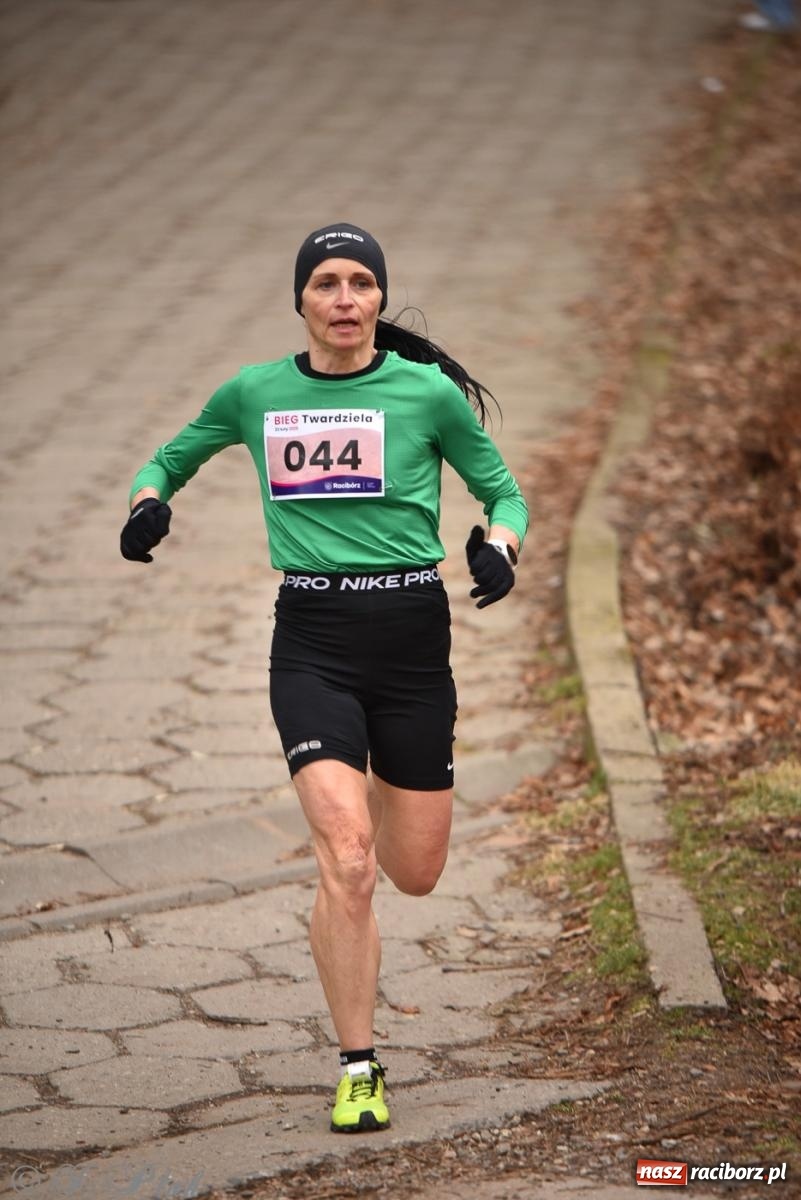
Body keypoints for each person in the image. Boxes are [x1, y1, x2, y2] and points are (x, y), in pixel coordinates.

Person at [120, 223, 528, 1133]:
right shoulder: (255, 393)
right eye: (325, 283)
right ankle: (358, 1066)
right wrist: (148, 505)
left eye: (360, 283)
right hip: (313, 640)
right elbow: (167, 459)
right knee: (348, 857)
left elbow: (504, 493)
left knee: (412, 870)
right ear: (300, 300)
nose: (344, 298)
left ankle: (377, 775)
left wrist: (499, 547)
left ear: (380, 299)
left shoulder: (424, 395)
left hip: (414, 642)